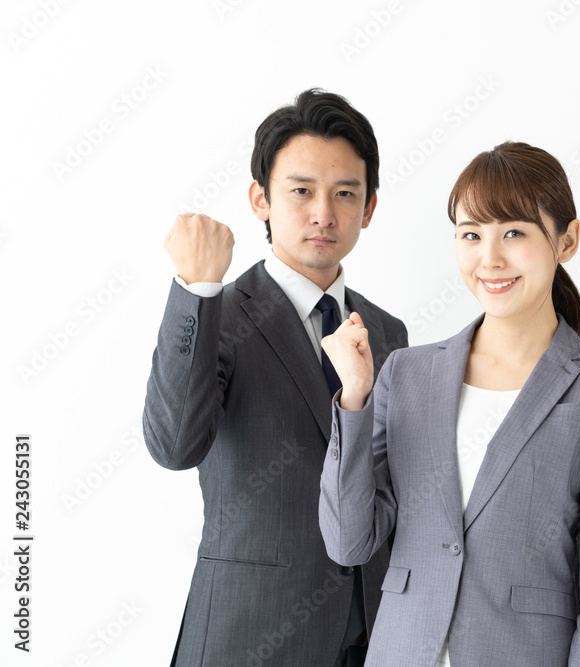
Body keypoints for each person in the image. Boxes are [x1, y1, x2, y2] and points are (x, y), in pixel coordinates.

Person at [318, 142, 580, 666]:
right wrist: (355, 398)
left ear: (568, 240)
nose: (489, 258)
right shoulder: (406, 373)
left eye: (514, 233)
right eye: (471, 235)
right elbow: (349, 543)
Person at [142, 89, 407, 666]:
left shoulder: (387, 332)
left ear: (369, 209)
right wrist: (196, 289)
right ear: (260, 199)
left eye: (345, 194)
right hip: (248, 633)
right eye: (301, 191)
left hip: (367, 641)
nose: (323, 214)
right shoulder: (220, 311)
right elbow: (173, 446)